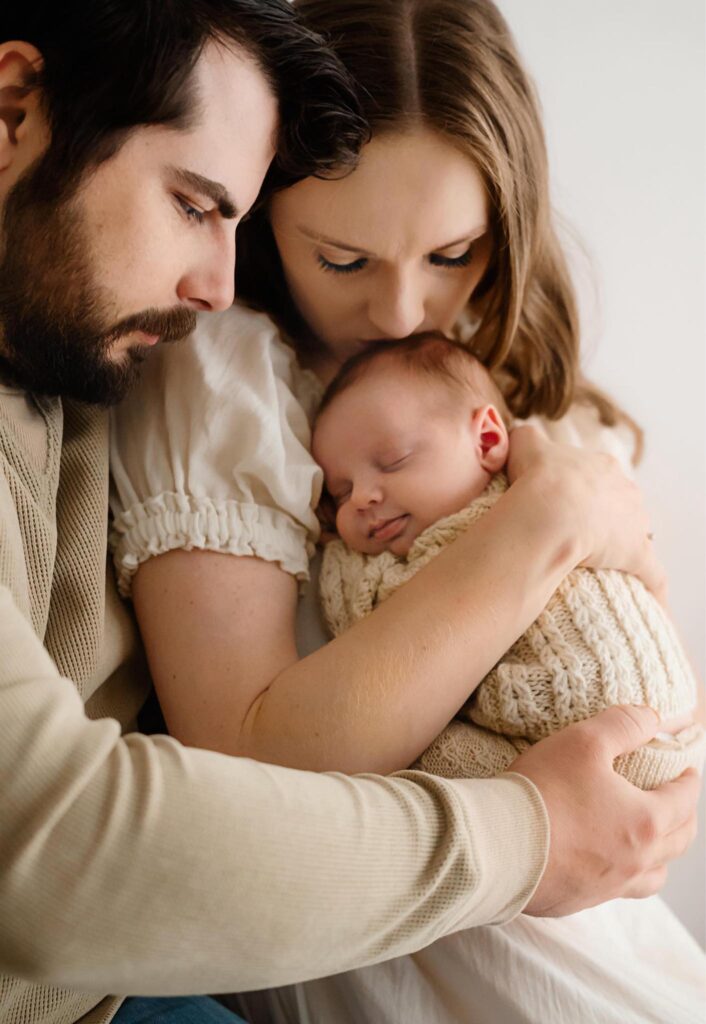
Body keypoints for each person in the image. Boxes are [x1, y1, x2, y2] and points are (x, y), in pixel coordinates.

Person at [107, 0, 704, 1021]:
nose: (397, 313)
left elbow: (638, 672)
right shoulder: (226, 375)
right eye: (343, 259)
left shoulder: (501, 390)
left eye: (451, 255)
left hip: (612, 953)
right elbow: (248, 772)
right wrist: (543, 521)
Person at [313, 332, 706, 787]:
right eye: (339, 493)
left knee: (422, 764)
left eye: (393, 460)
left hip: (633, 723)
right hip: (659, 742)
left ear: (486, 440)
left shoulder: (543, 491)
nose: (361, 497)